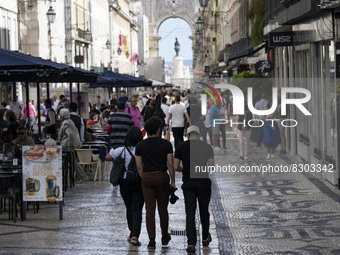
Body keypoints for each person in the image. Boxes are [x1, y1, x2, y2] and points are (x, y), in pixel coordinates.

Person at [135, 116, 175, 250]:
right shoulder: (166, 144)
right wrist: (173, 180)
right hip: (162, 177)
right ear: (158, 129)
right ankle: (164, 235)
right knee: (163, 208)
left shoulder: (140, 145)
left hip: (147, 177)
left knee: (149, 209)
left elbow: (139, 166)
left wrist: (144, 177)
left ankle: (151, 239)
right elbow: (170, 164)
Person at [173, 125, 214, 253]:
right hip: (203, 183)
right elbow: (211, 167)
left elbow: (175, 166)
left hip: (189, 184)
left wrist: (184, 169)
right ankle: (205, 237)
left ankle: (191, 243)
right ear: (199, 135)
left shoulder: (181, 147)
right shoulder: (207, 147)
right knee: (204, 211)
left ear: (188, 135)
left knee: (190, 213)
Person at [105, 127, 144, 246]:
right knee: (137, 209)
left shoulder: (121, 150)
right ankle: (135, 236)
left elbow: (107, 157)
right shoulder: (142, 150)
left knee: (129, 208)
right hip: (139, 182)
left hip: (125, 182)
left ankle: (132, 232)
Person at [58, 109, 89, 183]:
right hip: (70, 144)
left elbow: (70, 134)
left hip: (67, 145)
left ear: (63, 115)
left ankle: (83, 176)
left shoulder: (66, 123)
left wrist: (69, 146)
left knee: (72, 161)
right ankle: (82, 176)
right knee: (73, 161)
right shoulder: (69, 121)